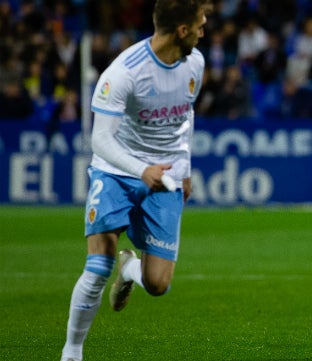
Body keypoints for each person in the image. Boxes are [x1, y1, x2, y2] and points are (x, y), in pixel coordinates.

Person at [60, 1, 209, 360]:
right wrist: (140, 170)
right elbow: (100, 140)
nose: (205, 30)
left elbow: (183, 120)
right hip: (115, 170)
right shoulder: (124, 72)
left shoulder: (196, 64)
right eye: (200, 24)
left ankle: (130, 268)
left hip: (166, 175)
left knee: (158, 284)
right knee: (97, 265)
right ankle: (72, 351)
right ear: (182, 31)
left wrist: (183, 171)